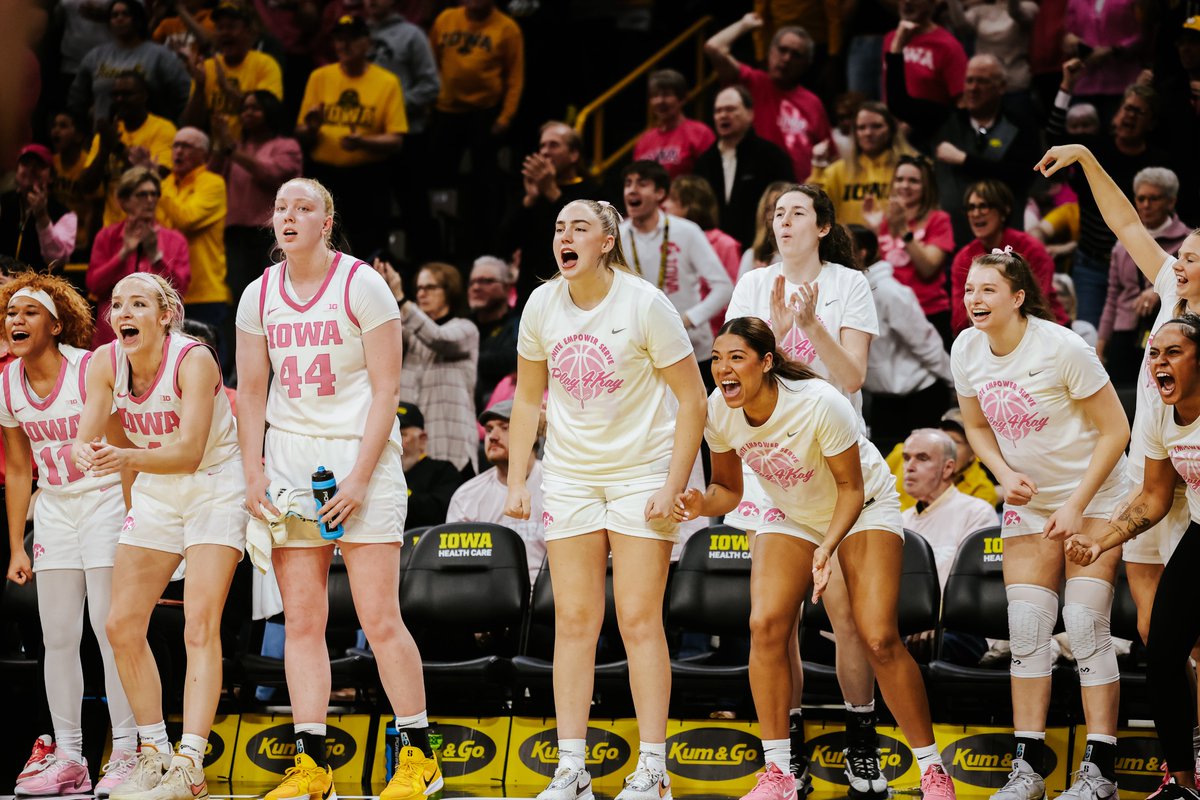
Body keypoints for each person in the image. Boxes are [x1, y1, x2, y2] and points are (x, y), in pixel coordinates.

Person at [675, 316, 958, 800]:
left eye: (736, 357)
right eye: (717, 358)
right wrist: (702, 503)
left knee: (878, 636)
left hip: (862, 506)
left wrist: (826, 548)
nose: (723, 368)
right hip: (791, 511)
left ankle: (933, 772)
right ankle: (778, 774)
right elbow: (728, 488)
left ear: (766, 362)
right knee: (765, 625)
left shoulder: (819, 403)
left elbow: (850, 489)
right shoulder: (718, 409)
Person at [236, 177, 442, 800]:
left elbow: (388, 390)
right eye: (281, 208)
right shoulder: (258, 294)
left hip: (360, 457)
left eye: (303, 208)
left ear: (326, 223)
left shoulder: (362, 284)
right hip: (290, 462)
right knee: (303, 620)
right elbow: (251, 392)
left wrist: (358, 477)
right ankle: (311, 766)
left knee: (378, 617)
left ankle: (420, 759)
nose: (288, 216)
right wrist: (253, 470)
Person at [503, 198, 707, 800]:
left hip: (642, 472)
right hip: (570, 475)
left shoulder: (645, 303)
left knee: (638, 619)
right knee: (573, 621)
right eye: (559, 228)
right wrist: (517, 479)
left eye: (579, 227)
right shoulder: (541, 303)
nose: (564, 236)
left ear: (607, 241)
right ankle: (572, 768)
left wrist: (672, 484)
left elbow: (694, 400)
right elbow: (526, 399)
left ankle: (654, 769)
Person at [951, 248, 1130, 800]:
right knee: (1027, 629)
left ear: (1018, 297)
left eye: (988, 289)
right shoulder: (965, 348)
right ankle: (1027, 770)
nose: (975, 299)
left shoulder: (1062, 347)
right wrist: (1003, 473)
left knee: (1084, 623)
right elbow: (976, 426)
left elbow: (1117, 430)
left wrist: (1076, 504)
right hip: (1029, 503)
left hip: (1096, 494)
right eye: (970, 289)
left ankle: (1099, 771)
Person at [725, 185, 885, 795]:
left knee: (847, 617)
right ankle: (787, 758)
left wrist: (808, 325)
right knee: (774, 621)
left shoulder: (850, 284)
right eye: (777, 213)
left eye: (797, 213)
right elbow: (737, 371)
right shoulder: (752, 283)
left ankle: (861, 745)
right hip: (772, 466)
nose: (784, 221)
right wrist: (772, 331)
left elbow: (852, 377)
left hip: (834, 465)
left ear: (821, 227)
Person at [70, 272, 245, 800]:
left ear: (166, 316)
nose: (123, 313)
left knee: (199, 624)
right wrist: (84, 451)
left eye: (138, 304)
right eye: (117, 304)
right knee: (121, 624)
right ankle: (154, 752)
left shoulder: (194, 359)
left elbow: (189, 452)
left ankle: (191, 764)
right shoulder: (105, 362)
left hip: (214, 482)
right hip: (153, 484)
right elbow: (87, 436)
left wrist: (123, 457)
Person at [1035, 142, 1200, 699]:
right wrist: (1086, 159)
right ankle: (1181, 741)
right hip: (1146, 474)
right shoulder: (1172, 286)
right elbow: (1126, 223)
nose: (1178, 262)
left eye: (1191, 257)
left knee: (1192, 638)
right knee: (1156, 633)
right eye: (1180, 254)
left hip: (1191, 485)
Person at [2, 274, 136, 798]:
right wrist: (16, 544)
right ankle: (70, 756)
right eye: (11, 313)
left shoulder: (89, 367)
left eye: (29, 312)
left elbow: (124, 445)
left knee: (110, 630)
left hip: (105, 499)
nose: (16, 320)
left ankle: (127, 751)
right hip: (55, 508)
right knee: (56, 636)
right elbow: (19, 469)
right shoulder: (7, 383)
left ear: (56, 325)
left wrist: (134, 517)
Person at [1064, 316, 1200, 800]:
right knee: (1162, 650)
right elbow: (1154, 497)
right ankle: (1183, 784)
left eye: (1173, 353)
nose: (1159, 362)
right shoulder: (1161, 415)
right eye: (1154, 353)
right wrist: (1100, 541)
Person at [1049, 60, 1170, 327]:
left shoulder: (1157, 165)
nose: (1130, 116)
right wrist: (1066, 86)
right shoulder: (1095, 150)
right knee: (1087, 330)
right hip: (1090, 263)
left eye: (1138, 112)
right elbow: (1053, 141)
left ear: (1151, 123)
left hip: (1135, 265)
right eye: (1127, 108)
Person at [296, 14, 407, 259]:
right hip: (324, 177)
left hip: (369, 177)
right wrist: (312, 128)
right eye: (339, 39)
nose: (344, 45)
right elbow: (301, 133)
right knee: (322, 244)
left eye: (352, 39)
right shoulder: (320, 77)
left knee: (370, 245)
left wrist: (363, 142)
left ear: (368, 42)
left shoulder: (387, 82)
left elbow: (396, 140)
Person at [428, 0, 524, 256]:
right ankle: (442, 245)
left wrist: (506, 117)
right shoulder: (446, 18)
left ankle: (488, 244)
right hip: (445, 111)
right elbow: (430, 63)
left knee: (486, 182)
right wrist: (429, 104)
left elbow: (515, 77)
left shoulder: (507, 28)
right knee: (440, 179)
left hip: (485, 113)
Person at [619, 161, 733, 370]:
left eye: (642, 184)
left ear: (660, 193)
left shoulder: (687, 231)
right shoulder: (617, 236)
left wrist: (688, 319)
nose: (632, 190)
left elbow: (724, 287)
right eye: (628, 183)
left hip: (693, 349)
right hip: (641, 352)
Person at [899, 427, 998, 664]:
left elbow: (972, 592)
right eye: (906, 458)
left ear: (948, 468)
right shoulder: (900, 520)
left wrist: (933, 622)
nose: (910, 467)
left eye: (922, 458)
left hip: (962, 628)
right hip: (906, 626)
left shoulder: (976, 512)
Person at [377, 260, 480, 475]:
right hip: (413, 454)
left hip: (453, 449)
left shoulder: (466, 329)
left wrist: (401, 299)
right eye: (419, 288)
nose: (422, 293)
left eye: (430, 287)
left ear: (449, 291)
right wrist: (381, 293)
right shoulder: (408, 334)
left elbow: (438, 338)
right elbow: (381, 341)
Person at [855, 224, 951, 453]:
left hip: (919, 397)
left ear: (862, 253)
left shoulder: (889, 291)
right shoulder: (852, 290)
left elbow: (925, 341)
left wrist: (954, 383)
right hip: (883, 402)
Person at [704, 13, 833, 182]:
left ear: (806, 64)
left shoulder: (812, 103)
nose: (786, 58)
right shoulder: (752, 82)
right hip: (756, 185)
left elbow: (830, 154)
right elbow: (713, 47)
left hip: (800, 191)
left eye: (796, 54)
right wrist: (744, 25)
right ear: (770, 51)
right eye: (782, 50)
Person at [1097, 167, 1192, 385]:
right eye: (1140, 198)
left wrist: (1158, 290)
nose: (1146, 205)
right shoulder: (1121, 247)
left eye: (1154, 198)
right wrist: (1100, 345)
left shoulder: (1188, 243)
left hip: (1171, 330)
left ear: (1171, 201)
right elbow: (1112, 297)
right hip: (1126, 331)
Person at [212, 90, 303, 311]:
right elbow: (212, 176)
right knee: (240, 293)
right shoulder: (235, 147)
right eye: (244, 109)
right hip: (236, 232)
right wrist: (219, 146)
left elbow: (271, 175)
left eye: (255, 108)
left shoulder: (286, 146)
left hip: (272, 233)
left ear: (270, 112)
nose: (248, 113)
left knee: (272, 293)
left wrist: (231, 150)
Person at [87, 167, 190, 347]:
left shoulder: (175, 240)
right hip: (112, 337)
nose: (150, 200)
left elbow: (180, 290)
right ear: (124, 201)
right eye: (142, 195)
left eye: (154, 194)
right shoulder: (107, 236)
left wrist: (156, 256)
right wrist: (124, 253)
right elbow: (94, 286)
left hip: (159, 338)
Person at [949, 180, 1068, 336]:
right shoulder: (963, 258)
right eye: (971, 208)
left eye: (984, 206)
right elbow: (959, 318)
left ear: (1004, 210)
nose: (976, 214)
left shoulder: (1031, 249)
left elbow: (1034, 306)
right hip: (986, 334)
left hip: (1044, 333)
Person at [447, 400, 546, 585]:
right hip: (489, 595)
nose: (492, 436)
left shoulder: (556, 484)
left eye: (504, 427)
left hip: (553, 594)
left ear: (532, 434)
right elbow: (457, 566)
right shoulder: (466, 495)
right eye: (488, 429)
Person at [508, 121, 600, 307]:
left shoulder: (593, 192)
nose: (545, 152)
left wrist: (551, 192)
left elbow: (584, 236)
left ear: (574, 155)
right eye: (542, 146)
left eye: (554, 145)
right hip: (530, 298)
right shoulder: (530, 194)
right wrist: (530, 200)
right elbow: (504, 243)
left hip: (575, 297)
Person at [867, 155, 955, 346]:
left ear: (926, 187)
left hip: (928, 314)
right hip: (890, 314)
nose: (904, 185)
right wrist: (873, 231)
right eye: (899, 179)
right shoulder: (885, 220)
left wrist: (903, 230)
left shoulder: (939, 220)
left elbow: (928, 268)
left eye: (913, 181)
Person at [693, 86, 794, 251]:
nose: (723, 115)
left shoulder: (772, 156)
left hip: (761, 250)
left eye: (730, 109)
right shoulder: (704, 161)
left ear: (750, 114)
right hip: (715, 251)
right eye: (718, 111)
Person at [157, 127, 230, 356]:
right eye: (176, 145)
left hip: (204, 293)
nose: (178, 151)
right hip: (167, 293)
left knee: (209, 363)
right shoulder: (165, 185)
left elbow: (186, 219)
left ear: (204, 154)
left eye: (186, 146)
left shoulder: (213, 184)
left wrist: (157, 188)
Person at [80, 70, 178, 230]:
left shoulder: (163, 129)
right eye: (116, 95)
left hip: (150, 227)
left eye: (127, 94)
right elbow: (87, 186)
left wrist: (117, 147)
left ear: (144, 96)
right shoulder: (108, 133)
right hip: (113, 228)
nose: (120, 99)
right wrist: (104, 150)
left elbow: (156, 178)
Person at [68, 0, 191, 124]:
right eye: (114, 15)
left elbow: (184, 95)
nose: (119, 18)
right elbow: (77, 98)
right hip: (103, 132)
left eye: (125, 14)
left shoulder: (160, 55)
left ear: (138, 20)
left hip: (151, 132)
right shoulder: (96, 56)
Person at [181, 1, 283, 144]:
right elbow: (190, 125)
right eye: (220, 28)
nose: (224, 32)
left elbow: (269, 115)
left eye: (231, 27)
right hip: (215, 149)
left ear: (249, 32)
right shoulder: (208, 67)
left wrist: (227, 88)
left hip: (254, 148)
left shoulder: (265, 64)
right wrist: (199, 86)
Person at [810, 101, 916, 228]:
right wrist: (818, 167)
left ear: (891, 130)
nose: (868, 133)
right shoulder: (837, 171)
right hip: (848, 239)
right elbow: (814, 206)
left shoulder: (911, 168)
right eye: (861, 128)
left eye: (876, 126)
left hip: (899, 238)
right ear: (855, 133)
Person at [663, 176, 741, 339]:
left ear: (690, 205)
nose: (665, 205)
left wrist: (691, 319)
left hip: (714, 337)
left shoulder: (725, 244)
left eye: (672, 199)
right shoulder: (666, 241)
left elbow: (733, 299)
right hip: (672, 334)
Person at [881, 0, 968, 138]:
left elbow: (962, 102)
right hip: (893, 133)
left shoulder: (948, 46)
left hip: (931, 134)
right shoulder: (891, 39)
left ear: (933, 3)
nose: (907, 2)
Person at [0, 145, 77, 272]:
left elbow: (57, 261)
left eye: (39, 165)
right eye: (25, 163)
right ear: (17, 171)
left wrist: (42, 216)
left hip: (40, 283)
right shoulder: (3, 202)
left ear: (51, 176)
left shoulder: (65, 215)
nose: (31, 169)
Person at [632, 69, 716, 179]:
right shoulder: (643, 142)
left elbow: (713, 175)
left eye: (666, 95)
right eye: (655, 95)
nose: (660, 101)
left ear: (682, 99)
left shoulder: (701, 133)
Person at [398, 402, 464, 529]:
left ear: (422, 439)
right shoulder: (378, 473)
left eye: (402, 434)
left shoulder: (443, 471)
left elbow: (441, 512)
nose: (394, 441)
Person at [48, 110, 101, 260]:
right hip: (55, 237)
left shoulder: (87, 165)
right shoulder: (52, 163)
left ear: (78, 136)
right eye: (54, 126)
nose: (56, 130)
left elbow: (93, 209)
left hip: (78, 241)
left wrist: (86, 244)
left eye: (63, 126)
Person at [468, 256, 518, 410]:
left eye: (486, 281)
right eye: (472, 282)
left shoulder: (520, 324)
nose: (476, 287)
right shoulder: (463, 324)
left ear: (506, 288)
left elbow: (513, 359)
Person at [738, 182, 792, 277]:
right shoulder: (752, 256)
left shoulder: (807, 256)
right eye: (769, 209)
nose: (772, 215)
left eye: (779, 209)